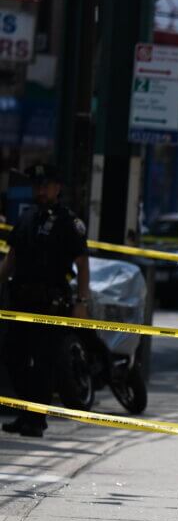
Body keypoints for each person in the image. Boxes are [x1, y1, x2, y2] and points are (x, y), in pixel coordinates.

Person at [0, 164, 90, 438]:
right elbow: (11, 259)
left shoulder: (69, 223)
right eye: (37, 185)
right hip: (21, 302)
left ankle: (36, 420)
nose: (41, 190)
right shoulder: (26, 217)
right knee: (13, 357)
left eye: (46, 185)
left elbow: (82, 265)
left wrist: (82, 301)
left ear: (57, 188)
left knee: (43, 363)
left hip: (50, 304)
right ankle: (27, 411)